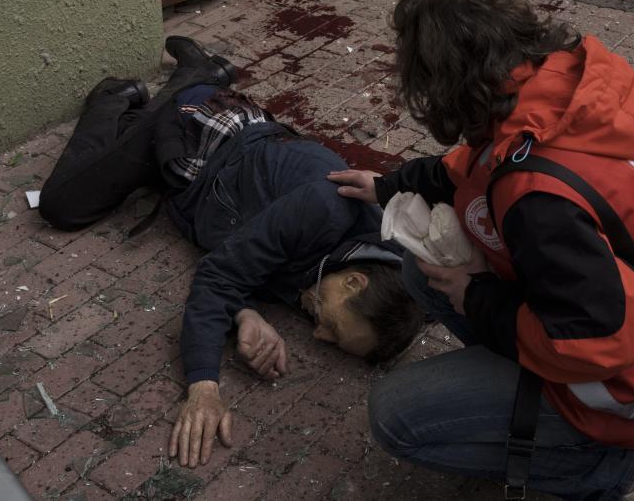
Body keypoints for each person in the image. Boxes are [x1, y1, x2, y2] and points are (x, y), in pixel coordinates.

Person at [329, 0, 634, 501]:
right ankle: (525, 388)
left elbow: (593, 345)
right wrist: (387, 187)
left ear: (443, 82)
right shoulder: (560, 88)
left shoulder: (539, 197)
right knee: (415, 270)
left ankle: (619, 472)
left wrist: (473, 295)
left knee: (396, 417)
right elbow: (468, 168)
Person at [37, 36, 423, 468]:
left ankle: (197, 78)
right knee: (62, 204)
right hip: (200, 132)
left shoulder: (361, 272)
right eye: (330, 325)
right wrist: (203, 386)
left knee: (114, 170)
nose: (316, 334)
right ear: (355, 280)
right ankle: (127, 94)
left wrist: (245, 313)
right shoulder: (324, 210)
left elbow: (250, 268)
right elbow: (219, 277)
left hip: (199, 185)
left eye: (328, 337)